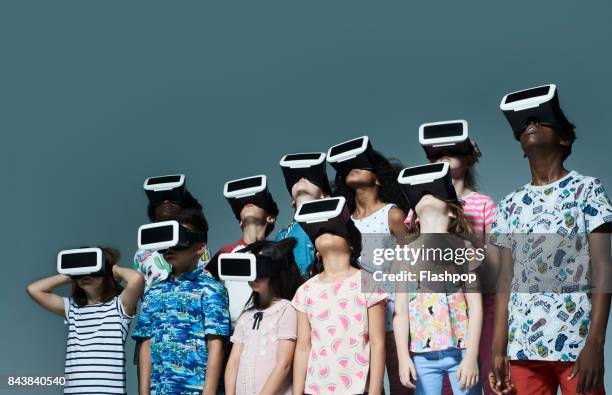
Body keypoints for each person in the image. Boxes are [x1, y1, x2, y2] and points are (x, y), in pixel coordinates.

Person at [489, 84, 612, 395]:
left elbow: (603, 267)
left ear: (564, 138)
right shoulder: (509, 203)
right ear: (520, 145)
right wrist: (497, 347)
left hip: (576, 344)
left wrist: (596, 343)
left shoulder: (588, 189)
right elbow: (505, 279)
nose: (531, 125)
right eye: (524, 124)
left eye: (542, 120)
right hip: (522, 350)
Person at [412, 121, 498, 394]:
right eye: (435, 154)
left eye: (452, 150)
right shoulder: (420, 208)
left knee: (478, 376)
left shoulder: (483, 204)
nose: (443, 156)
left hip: (479, 300)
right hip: (435, 311)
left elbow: (494, 260)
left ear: (470, 157)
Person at [329, 136, 407, 393]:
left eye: (362, 165)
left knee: (401, 384)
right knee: (368, 386)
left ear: (378, 178)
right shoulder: (344, 223)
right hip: (359, 319)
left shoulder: (393, 214)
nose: (354, 167)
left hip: (395, 315)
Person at [292, 197, 387, 395]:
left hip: (359, 389)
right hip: (315, 390)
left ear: (352, 244)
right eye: (320, 231)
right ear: (316, 251)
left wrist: (376, 391)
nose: (325, 231)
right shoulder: (305, 291)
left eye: (333, 229)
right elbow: (302, 347)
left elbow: (377, 343)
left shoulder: (367, 282)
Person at [394, 190, 483, 395]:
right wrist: (403, 357)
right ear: (414, 215)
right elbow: (399, 311)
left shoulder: (464, 249)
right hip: (421, 357)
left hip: (462, 353)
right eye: (422, 193)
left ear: (452, 212)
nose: (426, 194)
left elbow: (476, 307)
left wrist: (471, 356)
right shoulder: (403, 255)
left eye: (434, 193)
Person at [132, 209, 231, 394]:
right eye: (167, 241)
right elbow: (146, 343)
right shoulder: (153, 291)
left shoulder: (211, 289)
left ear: (200, 248)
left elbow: (216, 345)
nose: (169, 249)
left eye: (178, 241)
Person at [26, 247, 144, 394]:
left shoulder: (119, 306)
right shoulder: (72, 308)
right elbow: (34, 289)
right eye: (81, 272)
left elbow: (137, 280)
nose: (87, 275)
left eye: (93, 270)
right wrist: (71, 273)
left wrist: (114, 270)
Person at [224, 238, 304, 395]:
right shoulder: (246, 316)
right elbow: (233, 362)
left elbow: (284, 364)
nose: (255, 274)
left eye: (261, 268)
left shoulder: (286, 310)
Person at [210, 175, 280, 327]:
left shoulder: (279, 253)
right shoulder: (226, 252)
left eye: (256, 202)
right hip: (234, 337)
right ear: (240, 221)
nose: (248, 204)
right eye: (241, 205)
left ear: (270, 218)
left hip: (271, 330)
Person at [276, 152, 331, 275]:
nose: (301, 178)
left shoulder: (336, 227)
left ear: (325, 197)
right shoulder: (282, 235)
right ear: (292, 202)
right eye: (295, 180)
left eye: (311, 178)